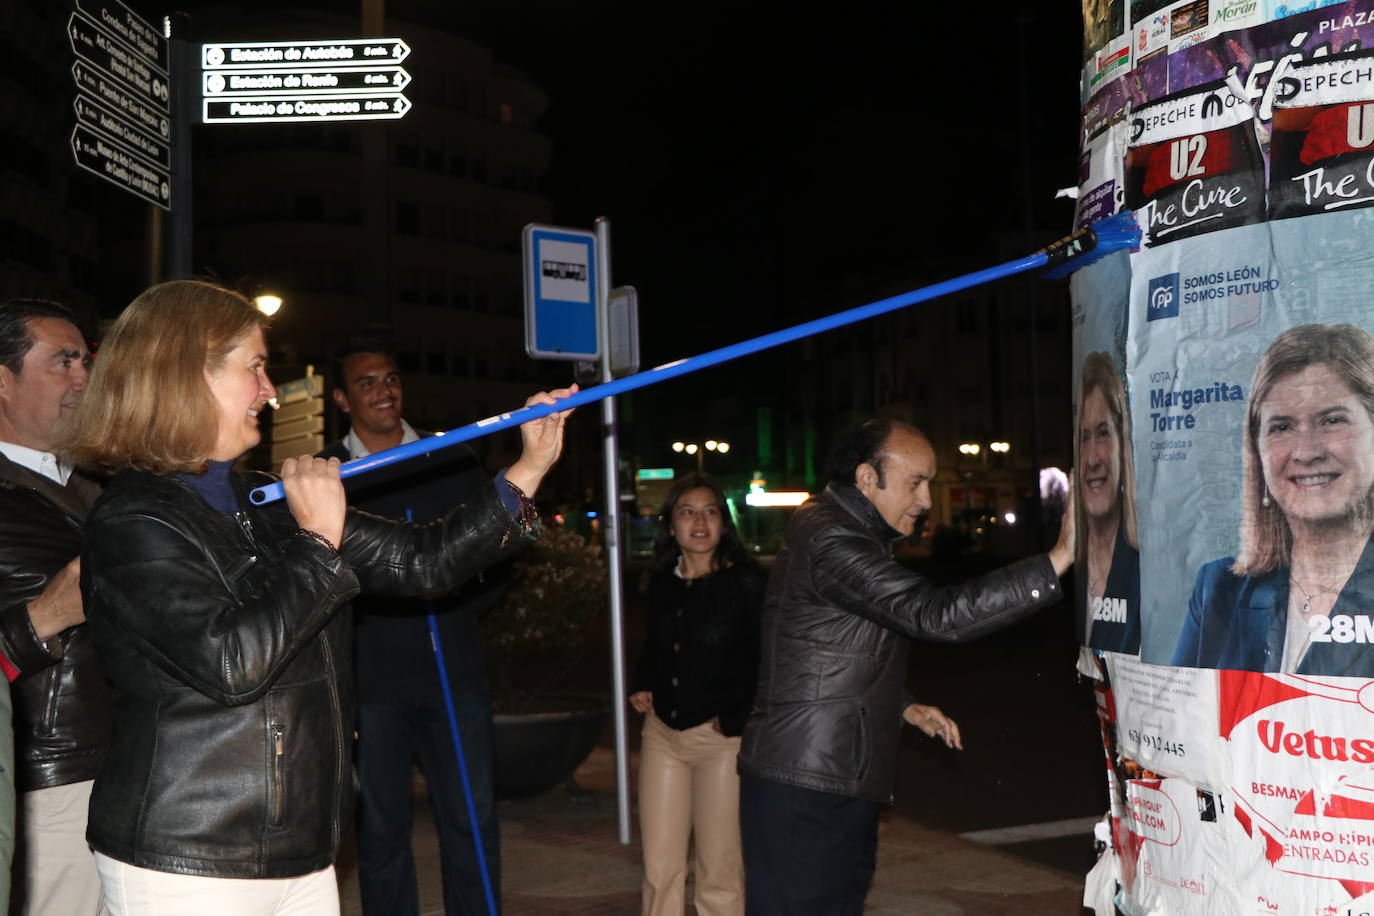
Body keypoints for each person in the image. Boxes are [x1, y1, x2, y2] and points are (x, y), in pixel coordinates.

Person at [62, 280, 572, 915]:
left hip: (301, 846)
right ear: (187, 373)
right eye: (254, 367)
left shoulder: (267, 499)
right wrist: (317, 541)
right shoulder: (133, 519)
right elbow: (230, 662)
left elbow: (425, 559)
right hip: (189, 856)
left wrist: (529, 467)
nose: (270, 390)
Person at [736, 418, 1074, 914]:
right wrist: (1058, 560)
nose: (926, 500)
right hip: (807, 783)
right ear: (867, 478)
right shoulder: (831, 537)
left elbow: (826, 648)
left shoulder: (841, 529)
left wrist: (903, 704)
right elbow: (933, 614)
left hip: (828, 773)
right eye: (916, 482)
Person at [319, 343, 504, 916]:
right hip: (372, 685)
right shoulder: (326, 476)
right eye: (367, 381)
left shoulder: (449, 458)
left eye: (392, 378)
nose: (384, 390)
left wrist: (459, 590)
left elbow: (496, 553)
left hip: (455, 673)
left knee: (470, 822)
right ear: (343, 399)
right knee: (379, 833)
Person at [1172, 323, 1374, 675]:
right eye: (1281, 427)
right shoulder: (1218, 590)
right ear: (1257, 449)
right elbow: (1179, 719)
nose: (1306, 452)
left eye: (1331, 420)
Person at [0, 298, 107, 914]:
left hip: (131, 776)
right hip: (48, 785)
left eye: (86, 361)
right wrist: (47, 615)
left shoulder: (103, 488)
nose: (83, 379)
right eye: (62, 362)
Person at [627, 474, 765, 916]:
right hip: (662, 736)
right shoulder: (662, 583)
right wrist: (642, 682)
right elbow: (655, 643)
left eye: (710, 511)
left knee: (720, 870)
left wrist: (738, 716)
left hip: (721, 742)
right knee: (659, 868)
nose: (700, 521)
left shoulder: (748, 582)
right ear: (671, 525)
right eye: (688, 511)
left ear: (725, 523)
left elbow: (769, 658)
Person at [1077, 351, 1141, 654]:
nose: (1092, 459)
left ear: (1122, 444)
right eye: (1084, 437)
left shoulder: (1145, 566)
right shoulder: (1073, 563)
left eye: (1103, 434)